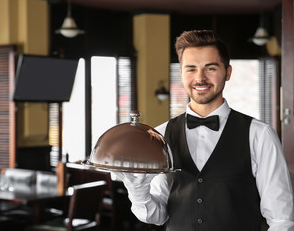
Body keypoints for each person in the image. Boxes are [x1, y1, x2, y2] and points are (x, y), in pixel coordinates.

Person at [115, 30, 294, 231]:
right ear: (181, 73)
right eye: (191, 69)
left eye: (210, 68)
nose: (200, 78)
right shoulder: (160, 135)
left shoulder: (259, 135)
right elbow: (157, 216)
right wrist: (138, 191)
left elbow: (282, 219)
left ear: (227, 72)